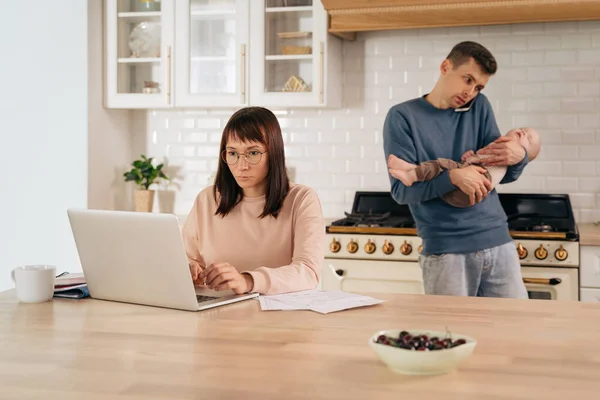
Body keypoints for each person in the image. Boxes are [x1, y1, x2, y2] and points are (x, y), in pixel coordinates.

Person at [382, 41, 532, 298]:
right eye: (467, 79)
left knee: (515, 333)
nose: (471, 92)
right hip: (446, 252)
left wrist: (520, 156)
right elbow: (400, 192)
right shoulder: (402, 117)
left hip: (499, 244)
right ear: (445, 67)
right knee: (451, 334)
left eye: (478, 87)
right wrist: (452, 177)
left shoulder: (479, 107)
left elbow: (498, 173)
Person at [181, 106, 324, 296]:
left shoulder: (302, 199)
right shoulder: (207, 200)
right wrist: (191, 270)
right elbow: (190, 259)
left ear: (273, 153)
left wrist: (247, 281)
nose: (242, 166)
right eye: (232, 153)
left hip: (282, 317)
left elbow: (307, 272)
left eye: (253, 153)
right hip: (220, 316)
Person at [388, 127, 541, 207]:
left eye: (529, 138)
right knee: (443, 171)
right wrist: (471, 157)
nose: (523, 132)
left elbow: (489, 161)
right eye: (523, 129)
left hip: (470, 191)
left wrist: (472, 159)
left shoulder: (505, 152)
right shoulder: (501, 147)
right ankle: (411, 170)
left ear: (524, 153)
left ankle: (412, 174)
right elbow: (484, 161)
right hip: (470, 192)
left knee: (442, 164)